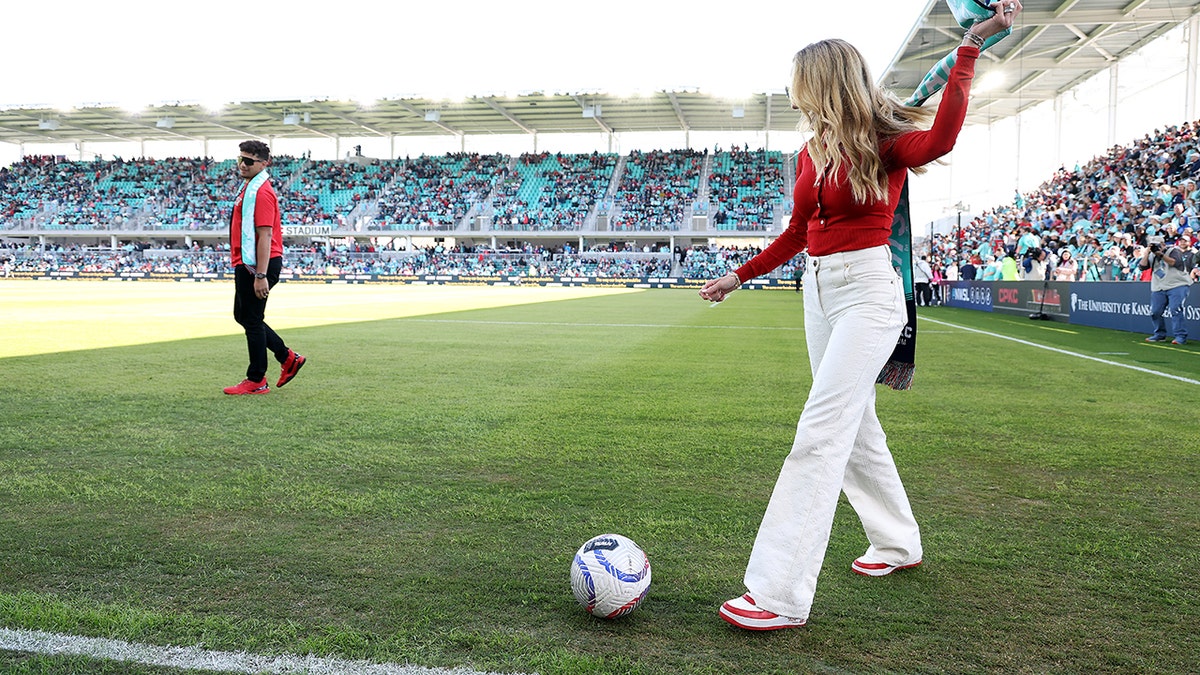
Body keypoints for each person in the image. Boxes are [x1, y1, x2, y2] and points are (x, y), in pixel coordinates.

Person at [698, 1, 1021, 631]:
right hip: (816, 292)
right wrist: (738, 276)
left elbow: (941, 140)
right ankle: (898, 544)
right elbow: (797, 232)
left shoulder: (883, 136)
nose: (794, 101)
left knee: (820, 430)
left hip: (870, 291)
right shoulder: (808, 153)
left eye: (800, 87)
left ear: (822, 82)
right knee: (855, 424)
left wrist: (970, 48)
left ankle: (778, 593)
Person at [223, 140, 307, 395]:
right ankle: (287, 357)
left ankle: (257, 378)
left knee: (252, 319)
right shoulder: (249, 188)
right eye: (240, 159)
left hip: (258, 264)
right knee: (244, 316)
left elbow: (265, 235)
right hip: (248, 262)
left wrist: (260, 275)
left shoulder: (261, 192)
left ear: (264, 163)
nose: (242, 165)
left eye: (248, 161)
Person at [1139, 235, 1192, 345]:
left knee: (1175, 309)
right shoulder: (1151, 255)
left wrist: (1160, 254)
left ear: (1163, 244)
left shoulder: (1174, 250)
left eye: (1158, 245)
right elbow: (1142, 267)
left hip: (1177, 284)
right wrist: (1147, 252)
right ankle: (1159, 334)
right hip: (1159, 286)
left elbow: (1174, 263)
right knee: (1155, 311)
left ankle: (1180, 336)